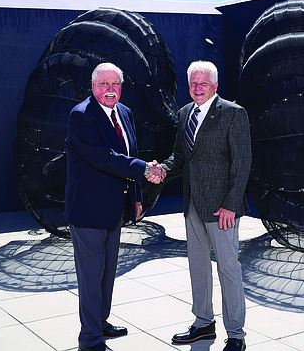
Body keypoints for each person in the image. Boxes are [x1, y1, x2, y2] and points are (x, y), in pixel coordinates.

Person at [65, 62, 164, 351]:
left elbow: (128, 154)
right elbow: (104, 158)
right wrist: (146, 169)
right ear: (93, 86)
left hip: (114, 209)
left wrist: (135, 198)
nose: (110, 89)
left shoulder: (126, 114)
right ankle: (90, 338)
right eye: (104, 84)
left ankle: (101, 322)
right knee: (91, 276)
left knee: (107, 274)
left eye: (116, 84)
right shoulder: (81, 116)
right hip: (88, 211)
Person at [160, 60, 252, 351]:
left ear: (215, 85)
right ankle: (203, 324)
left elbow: (242, 162)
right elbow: (180, 156)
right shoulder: (185, 112)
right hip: (192, 205)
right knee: (198, 267)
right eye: (193, 83)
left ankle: (236, 334)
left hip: (222, 209)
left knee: (228, 268)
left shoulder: (233, 113)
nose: (197, 88)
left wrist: (231, 204)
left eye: (203, 83)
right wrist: (162, 169)